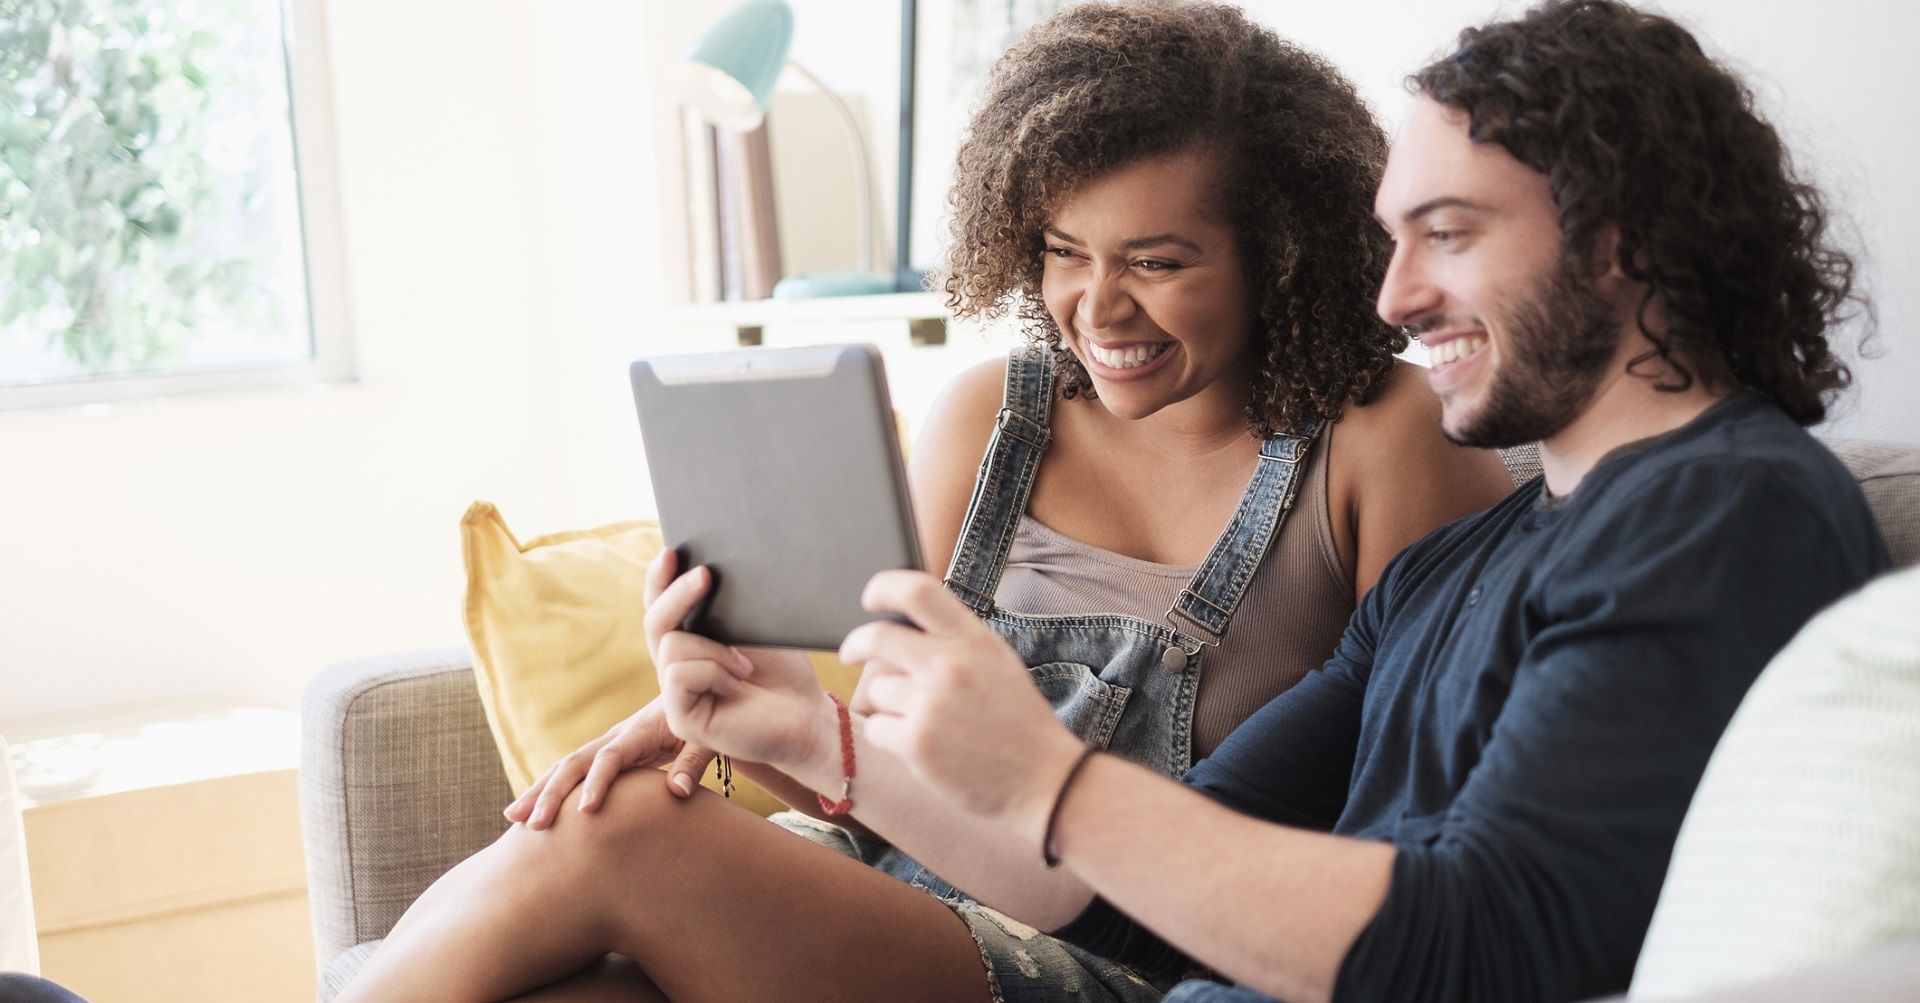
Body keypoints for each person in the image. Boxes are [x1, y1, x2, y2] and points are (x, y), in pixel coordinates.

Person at [643, 2, 1893, 1002]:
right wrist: (813, 736)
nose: (1394, 297)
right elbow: (1145, 888)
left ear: (1622, 239)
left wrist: (1056, 781)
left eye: (1446, 234)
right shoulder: (1455, 567)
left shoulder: (1727, 510)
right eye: (1390, 241)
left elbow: (1494, 943)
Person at [334, 4, 1511, 1002]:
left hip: (1135, 953)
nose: (1096, 307)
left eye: (1157, 261)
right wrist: (759, 722)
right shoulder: (990, 416)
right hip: (903, 887)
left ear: (1283, 254)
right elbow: (899, 778)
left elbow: (1406, 832)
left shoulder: (1387, 442)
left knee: (618, 838)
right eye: (1061, 251)